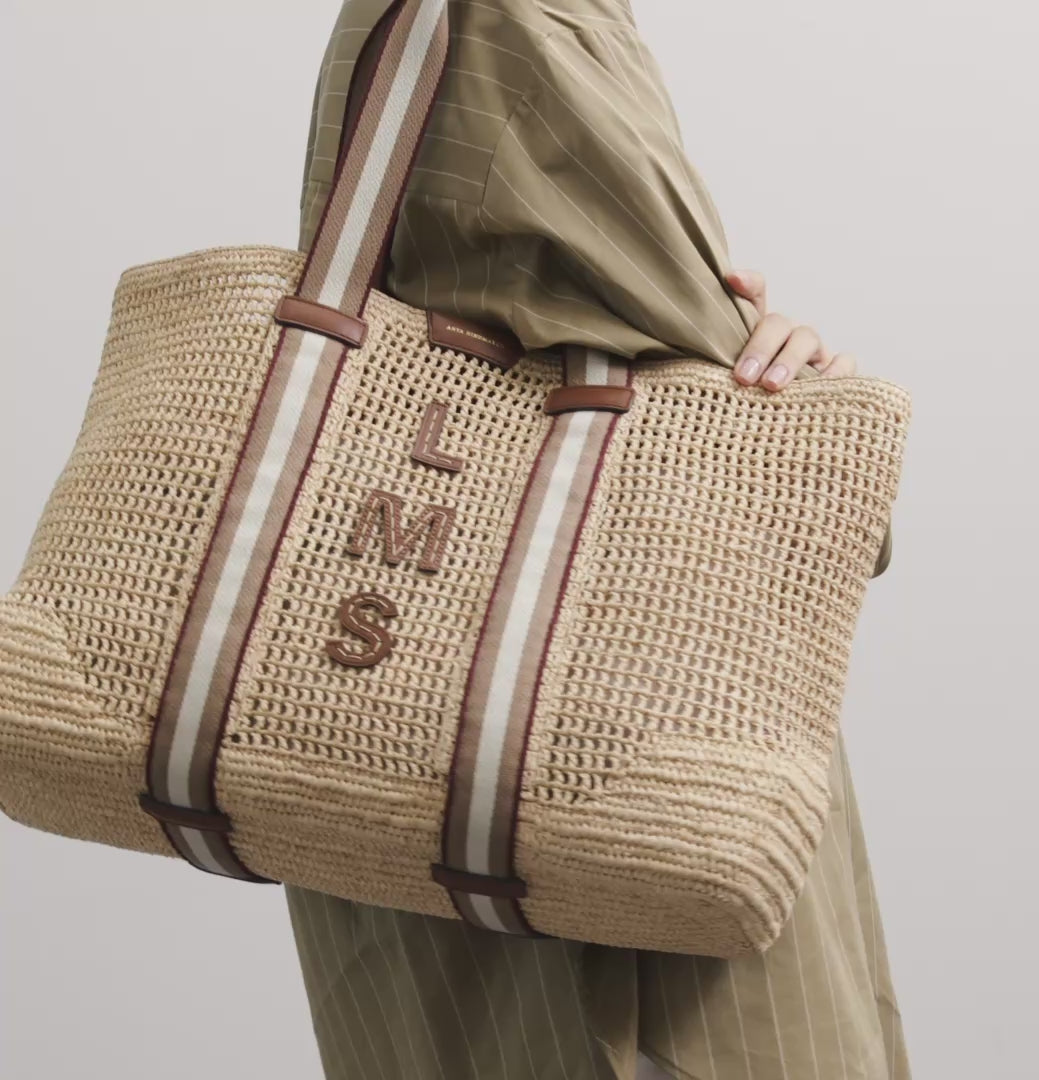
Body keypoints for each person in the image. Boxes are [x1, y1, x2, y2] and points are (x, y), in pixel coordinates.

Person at [286, 2, 909, 1078]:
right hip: (620, 835)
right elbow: (788, 496)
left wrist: (721, 351)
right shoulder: (524, 19)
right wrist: (790, 389)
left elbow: (584, 322)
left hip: (433, 792)